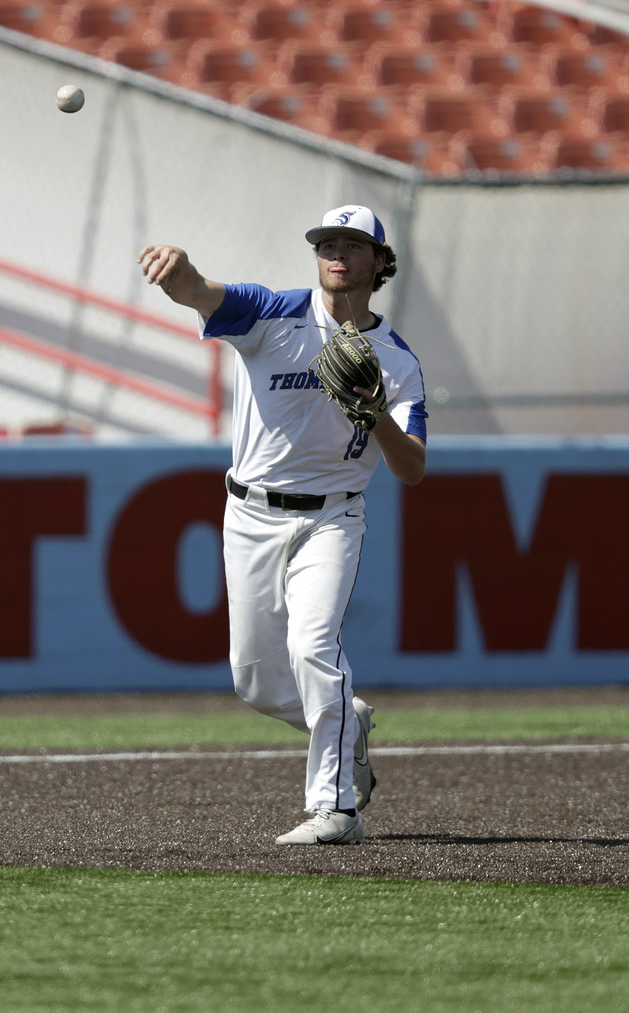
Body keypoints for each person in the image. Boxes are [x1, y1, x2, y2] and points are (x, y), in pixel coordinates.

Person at [138, 205, 428, 845]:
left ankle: (336, 809)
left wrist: (374, 412)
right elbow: (200, 292)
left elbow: (411, 468)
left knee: (312, 649)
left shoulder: (398, 361)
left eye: (353, 245)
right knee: (254, 681)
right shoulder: (274, 314)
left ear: (380, 263)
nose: (337, 253)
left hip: (331, 519)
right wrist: (179, 272)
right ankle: (346, 723)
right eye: (327, 242)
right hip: (248, 514)